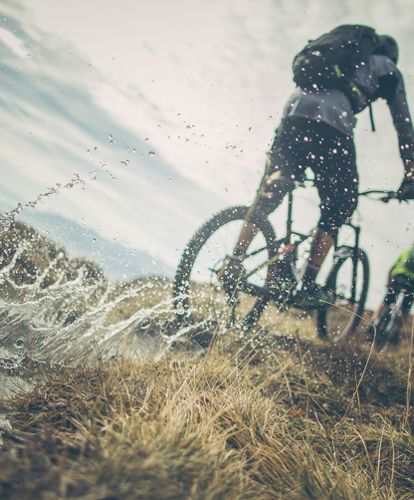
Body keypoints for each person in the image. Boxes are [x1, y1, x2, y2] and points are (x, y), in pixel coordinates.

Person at [220, 25, 414, 309]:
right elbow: (403, 123)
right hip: (331, 124)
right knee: (340, 204)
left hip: (294, 113)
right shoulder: (386, 67)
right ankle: (309, 283)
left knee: (271, 190)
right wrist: (410, 172)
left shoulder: (338, 53)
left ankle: (234, 260)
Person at [368, 243, 414, 345]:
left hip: (398, 277)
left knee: (387, 301)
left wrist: (388, 282)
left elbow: (392, 267)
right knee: (405, 308)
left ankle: (373, 322)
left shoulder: (407, 251)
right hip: (412, 283)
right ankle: (396, 331)